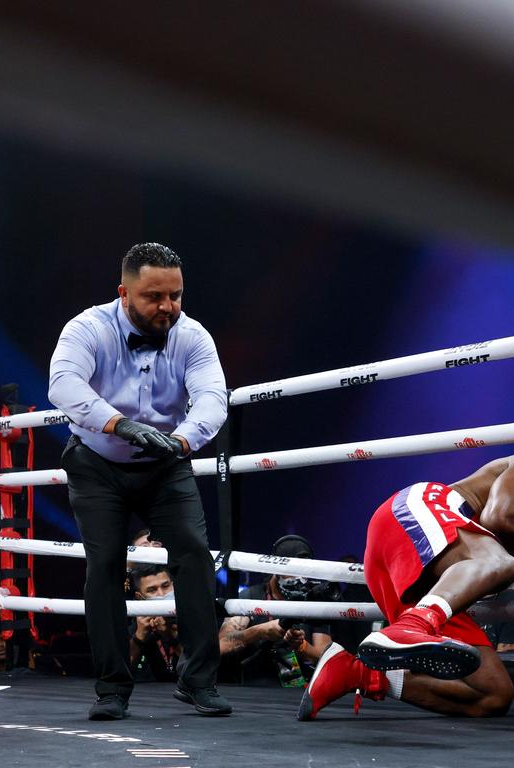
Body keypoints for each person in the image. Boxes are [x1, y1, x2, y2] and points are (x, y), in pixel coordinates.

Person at [300, 452, 514, 720]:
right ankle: (413, 626)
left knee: (493, 695)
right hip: (414, 516)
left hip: (430, 582)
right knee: (500, 563)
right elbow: (501, 519)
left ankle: (358, 672)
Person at [48, 242, 230, 720]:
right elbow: (63, 383)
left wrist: (185, 441)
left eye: (175, 295)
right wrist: (119, 423)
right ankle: (111, 688)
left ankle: (198, 681)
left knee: (193, 554)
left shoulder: (192, 336)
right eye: (154, 296)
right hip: (97, 462)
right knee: (104, 564)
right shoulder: (88, 329)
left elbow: (213, 397)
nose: (167, 307)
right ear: (123, 294)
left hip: (165, 463)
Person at [219, 535, 333, 686]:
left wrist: (301, 646)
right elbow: (221, 645)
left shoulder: (312, 601)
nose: (299, 579)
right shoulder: (252, 597)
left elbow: (323, 657)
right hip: (253, 689)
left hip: (297, 691)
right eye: (293, 571)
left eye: (304, 572)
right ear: (276, 569)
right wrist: (260, 631)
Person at [128, 564, 181, 682]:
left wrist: (171, 637)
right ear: (140, 597)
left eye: (165, 586)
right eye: (152, 590)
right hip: (149, 696)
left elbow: (201, 669)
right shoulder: (138, 625)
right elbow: (119, 672)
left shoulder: (193, 617)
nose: (161, 594)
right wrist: (139, 637)